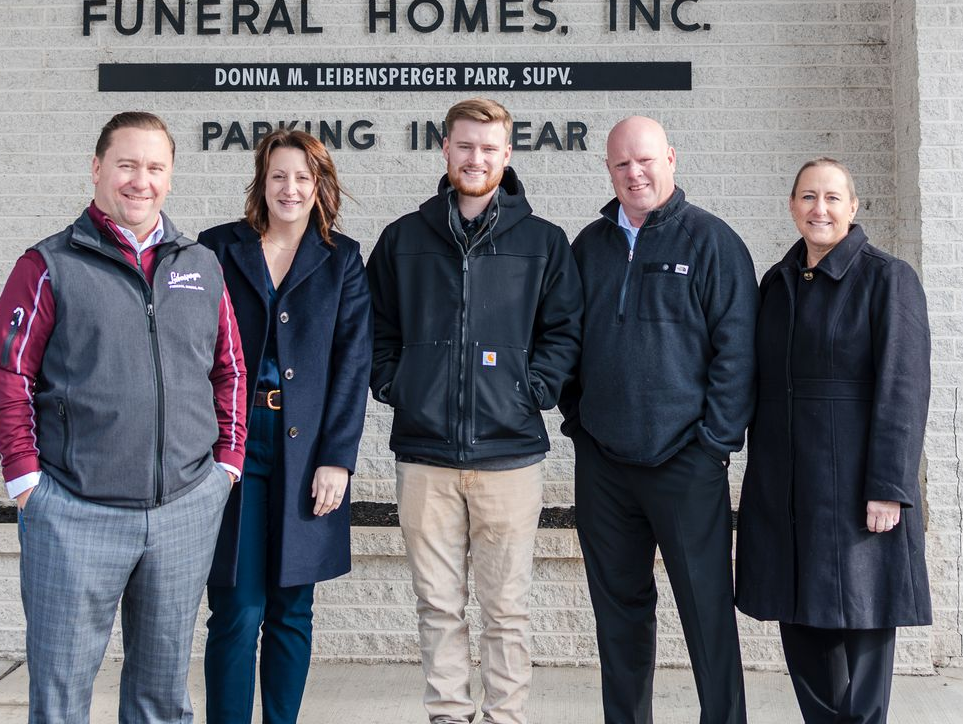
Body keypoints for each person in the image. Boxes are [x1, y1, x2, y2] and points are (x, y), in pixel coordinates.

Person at [0, 111, 247, 724]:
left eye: (155, 167)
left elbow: (229, 367)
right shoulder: (48, 265)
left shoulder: (200, 266)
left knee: (161, 699)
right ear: (98, 168)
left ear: (171, 177)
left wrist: (226, 466)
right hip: (74, 510)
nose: (140, 181)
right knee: (61, 698)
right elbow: (8, 372)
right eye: (127, 165)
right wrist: (25, 479)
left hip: (183, 507)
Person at [366, 97, 582, 724]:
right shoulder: (404, 239)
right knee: (437, 606)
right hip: (425, 456)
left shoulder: (543, 242)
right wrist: (400, 384)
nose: (476, 158)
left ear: (507, 155)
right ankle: (449, 715)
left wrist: (531, 390)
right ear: (445, 150)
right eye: (465, 146)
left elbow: (564, 331)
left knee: (506, 609)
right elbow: (376, 329)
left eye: (489, 148)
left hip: (509, 454)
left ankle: (505, 717)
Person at [561, 115, 757, 724]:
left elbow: (737, 352)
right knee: (618, 616)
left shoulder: (712, 242)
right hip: (605, 465)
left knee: (706, 614)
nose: (634, 172)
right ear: (608, 170)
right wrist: (580, 423)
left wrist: (713, 444)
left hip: (686, 463)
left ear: (671, 158)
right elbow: (565, 340)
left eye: (645, 159)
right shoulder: (587, 247)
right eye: (621, 163)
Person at [735, 157, 932, 724]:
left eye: (831, 198)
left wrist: (889, 486)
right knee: (798, 614)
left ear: (854, 207)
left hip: (857, 485)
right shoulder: (775, 284)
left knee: (863, 618)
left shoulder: (887, 278)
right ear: (792, 206)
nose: (819, 209)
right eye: (807, 197)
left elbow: (904, 387)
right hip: (785, 483)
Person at [196, 129, 372, 724]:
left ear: (320, 185)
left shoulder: (343, 258)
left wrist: (338, 459)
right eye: (278, 176)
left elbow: (353, 364)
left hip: (307, 453)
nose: (289, 188)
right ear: (261, 181)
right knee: (237, 607)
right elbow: (193, 349)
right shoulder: (218, 249)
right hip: (236, 447)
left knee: (293, 606)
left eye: (302, 177)